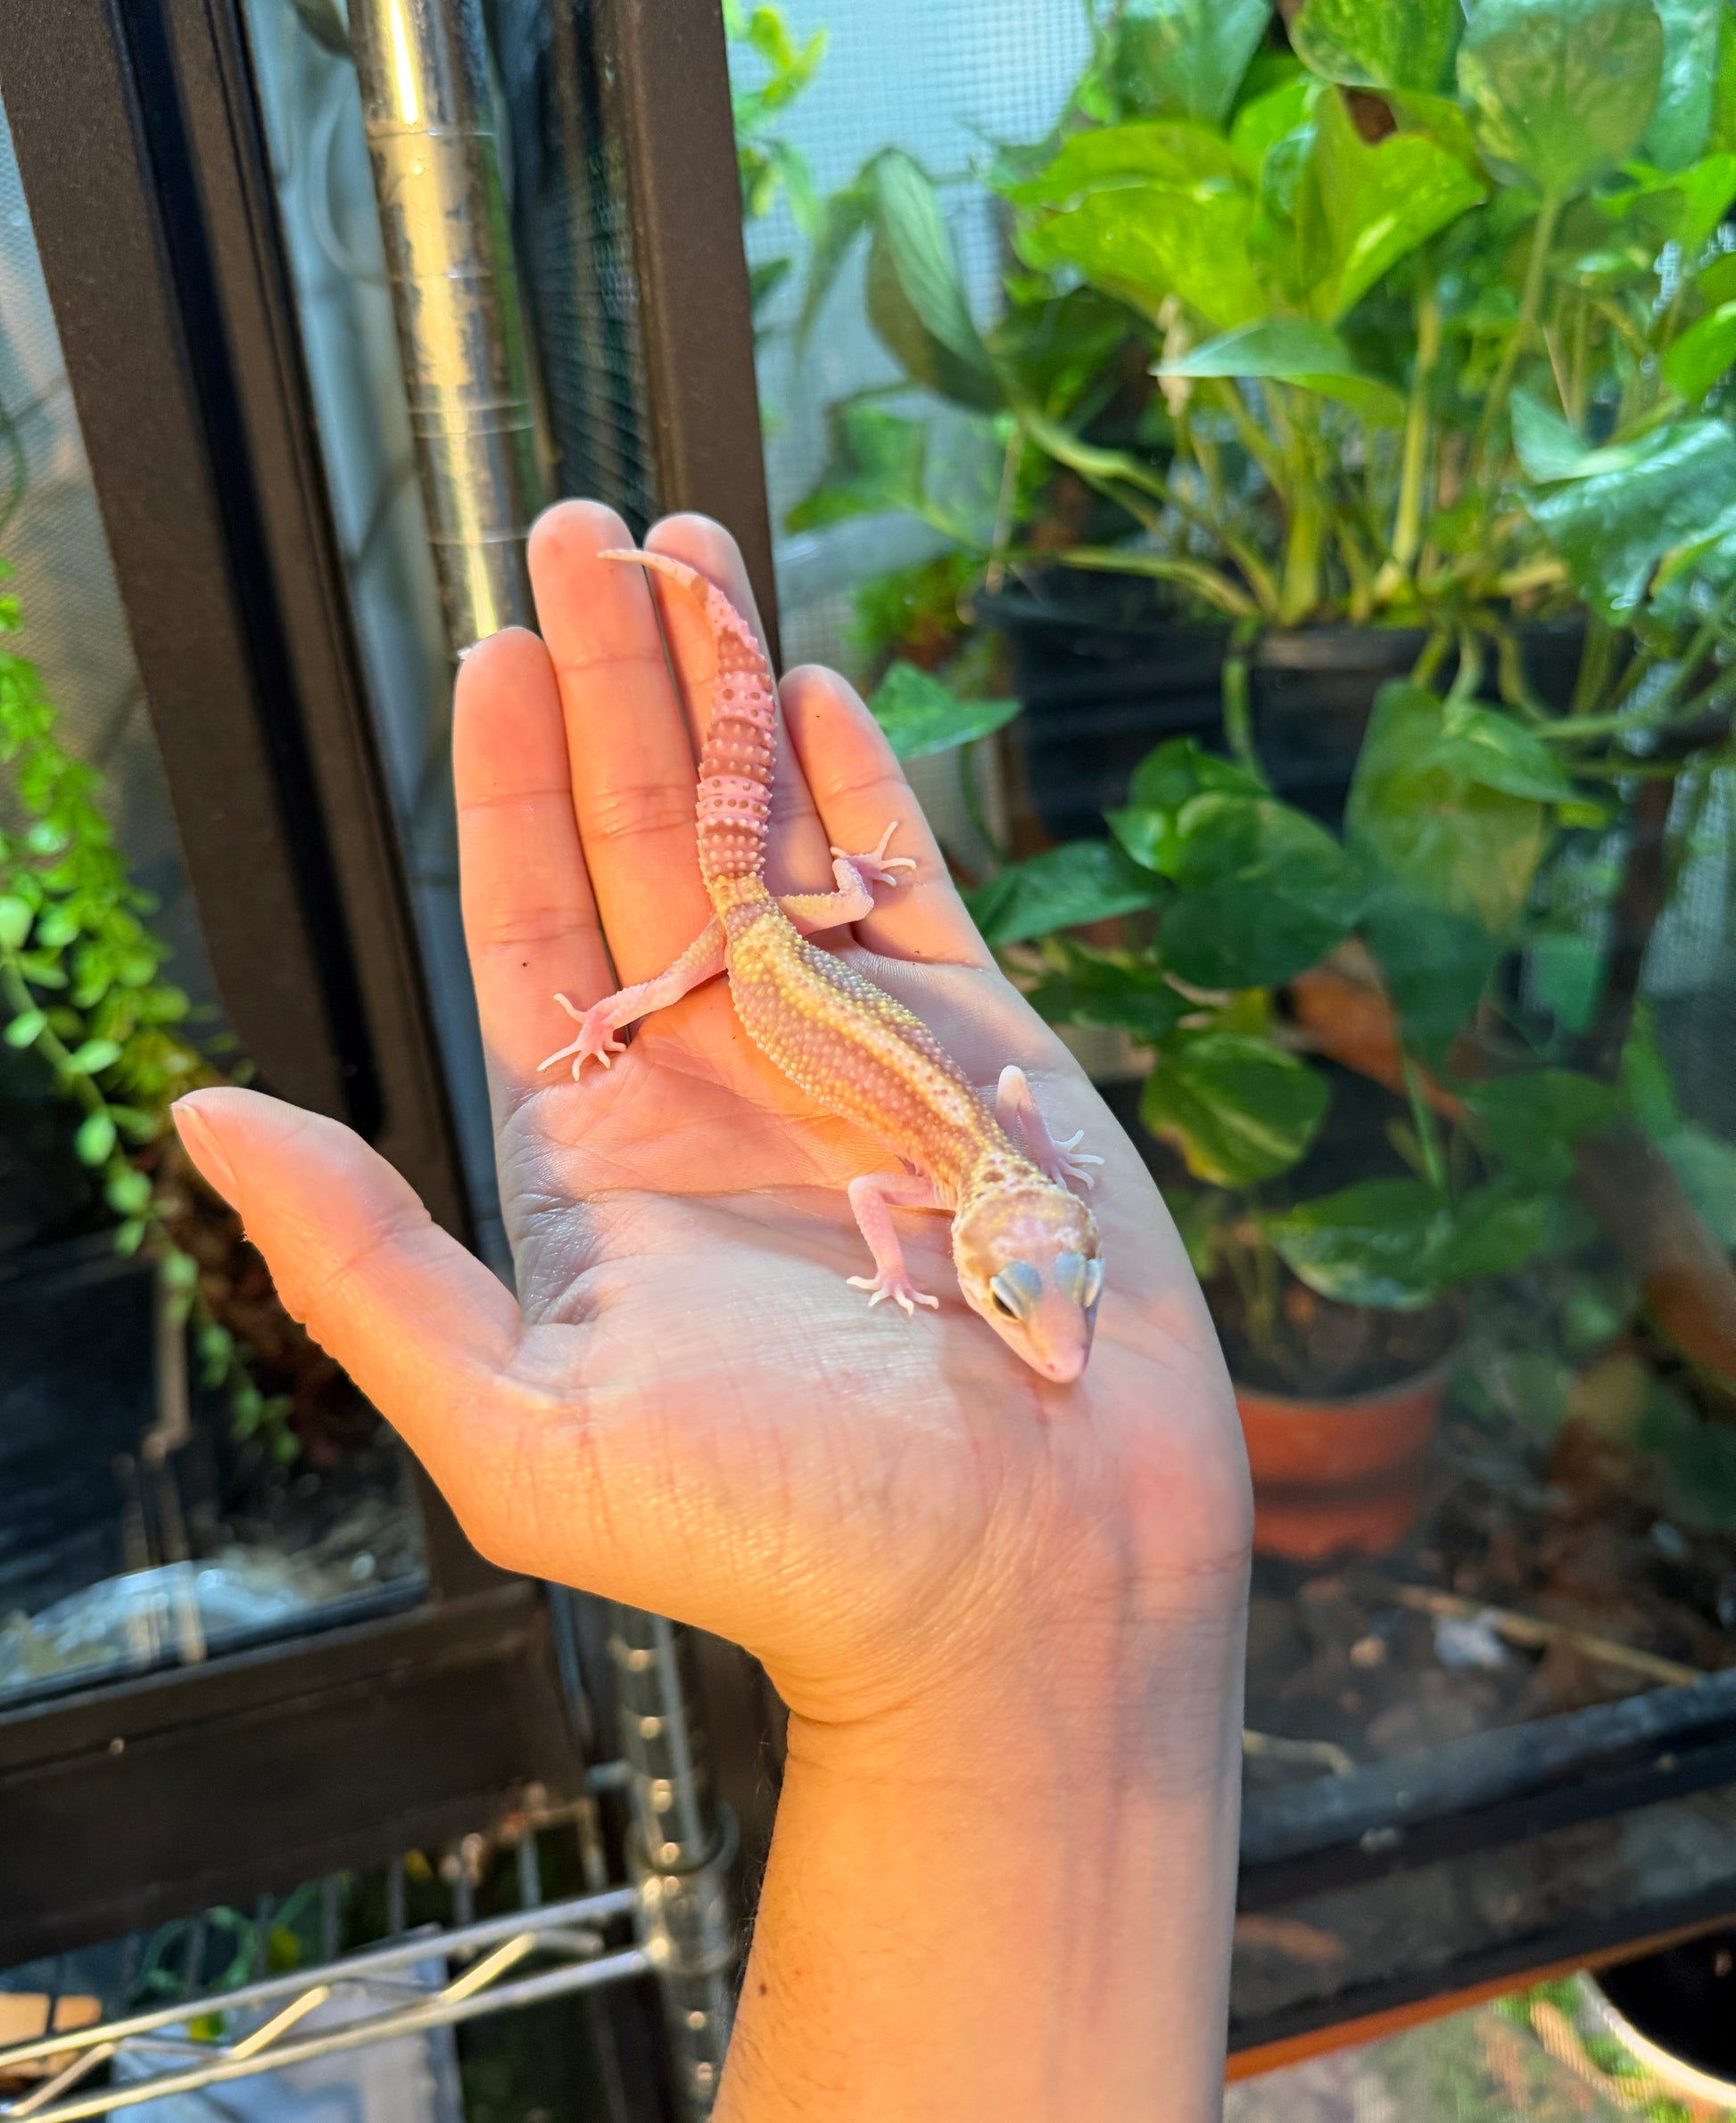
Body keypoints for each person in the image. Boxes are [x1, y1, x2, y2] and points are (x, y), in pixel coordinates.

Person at [172, 500, 1252, 2119]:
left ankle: (704, 616)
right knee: (713, 885)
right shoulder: (963, 1172)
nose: (1056, 1338)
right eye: (1027, 1297)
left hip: (786, 941)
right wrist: (639, 1010)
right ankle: (703, 623)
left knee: (737, 839)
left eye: (1055, 1296)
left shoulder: (986, 1172)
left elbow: (989, 1126)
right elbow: (934, 1162)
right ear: (1008, 1231)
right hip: (746, 946)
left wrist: (943, 1209)